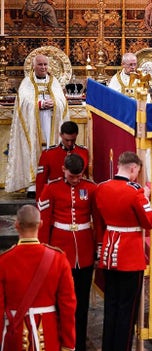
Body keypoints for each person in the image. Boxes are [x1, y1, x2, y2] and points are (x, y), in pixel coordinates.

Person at [94, 151, 152, 351]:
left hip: (109, 251)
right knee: (127, 310)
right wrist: (146, 198)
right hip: (129, 255)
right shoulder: (135, 191)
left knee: (111, 304)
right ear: (132, 169)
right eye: (137, 172)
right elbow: (150, 221)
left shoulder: (102, 187)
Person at [38, 154, 97, 351]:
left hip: (85, 251)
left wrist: (98, 246)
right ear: (64, 169)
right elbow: (44, 222)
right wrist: (44, 251)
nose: (76, 180)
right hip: (60, 251)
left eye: (79, 176)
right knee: (60, 300)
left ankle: (78, 343)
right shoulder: (51, 188)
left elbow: (97, 219)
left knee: (82, 302)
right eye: (72, 177)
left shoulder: (90, 188)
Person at [0, 204, 76, 350]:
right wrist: (68, 344)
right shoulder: (58, 259)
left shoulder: (4, 261)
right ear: (41, 224)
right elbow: (68, 307)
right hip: (48, 335)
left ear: (16, 225)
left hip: (15, 336)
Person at [6, 54, 68, 195]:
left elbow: (62, 101)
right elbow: (22, 103)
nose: (43, 67)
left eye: (45, 65)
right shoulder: (27, 82)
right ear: (33, 66)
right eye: (40, 65)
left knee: (50, 148)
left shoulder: (54, 82)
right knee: (34, 148)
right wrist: (39, 104)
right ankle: (33, 184)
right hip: (34, 123)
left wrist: (55, 103)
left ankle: (51, 179)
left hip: (51, 122)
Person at [35, 120, 89, 201]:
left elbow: (85, 180)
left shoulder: (83, 152)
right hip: (56, 197)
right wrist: (40, 203)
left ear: (77, 135)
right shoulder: (48, 154)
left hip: (77, 197)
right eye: (67, 140)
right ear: (61, 135)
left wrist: (84, 199)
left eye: (73, 140)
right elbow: (40, 181)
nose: (70, 143)